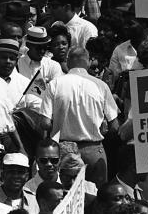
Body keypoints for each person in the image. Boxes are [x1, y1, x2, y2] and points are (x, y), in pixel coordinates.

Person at [40, 47, 118, 185]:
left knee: (64, 198)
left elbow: (45, 123)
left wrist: (59, 126)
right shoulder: (101, 85)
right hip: (93, 150)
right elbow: (115, 125)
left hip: (63, 151)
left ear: (68, 62)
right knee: (96, 198)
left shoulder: (55, 84)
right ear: (87, 62)